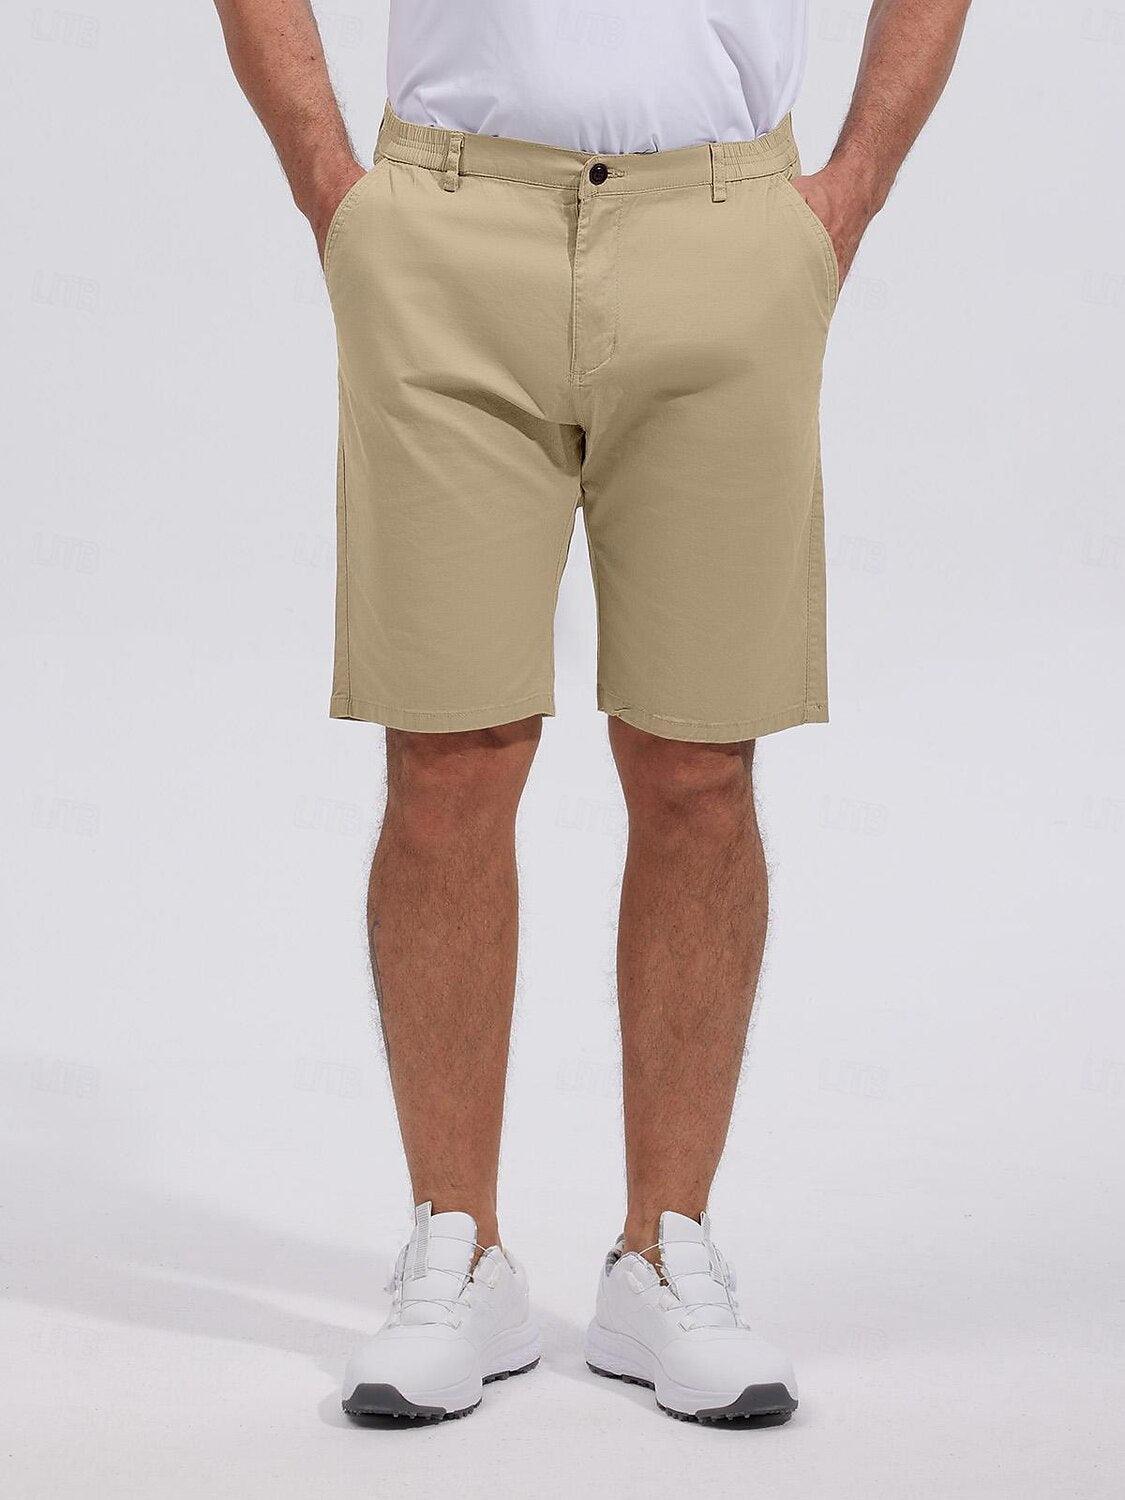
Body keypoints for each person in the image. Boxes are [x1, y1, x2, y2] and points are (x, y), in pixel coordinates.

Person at [214, 0, 971, 1424]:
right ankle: (458, 1245)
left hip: (725, 228)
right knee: (448, 756)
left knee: (698, 766)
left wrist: (848, 194)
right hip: (446, 231)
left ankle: (661, 1250)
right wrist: (331, 187)